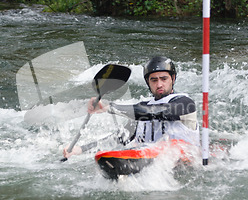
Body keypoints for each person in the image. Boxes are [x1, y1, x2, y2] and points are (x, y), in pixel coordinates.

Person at [63, 56, 200, 158]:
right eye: (154, 80)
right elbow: (118, 138)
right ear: (148, 82)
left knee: (170, 145)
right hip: (149, 159)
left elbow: (155, 112)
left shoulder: (185, 104)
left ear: (173, 79)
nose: (159, 84)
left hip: (184, 162)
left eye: (164, 79)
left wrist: (110, 107)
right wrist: (79, 150)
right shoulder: (143, 108)